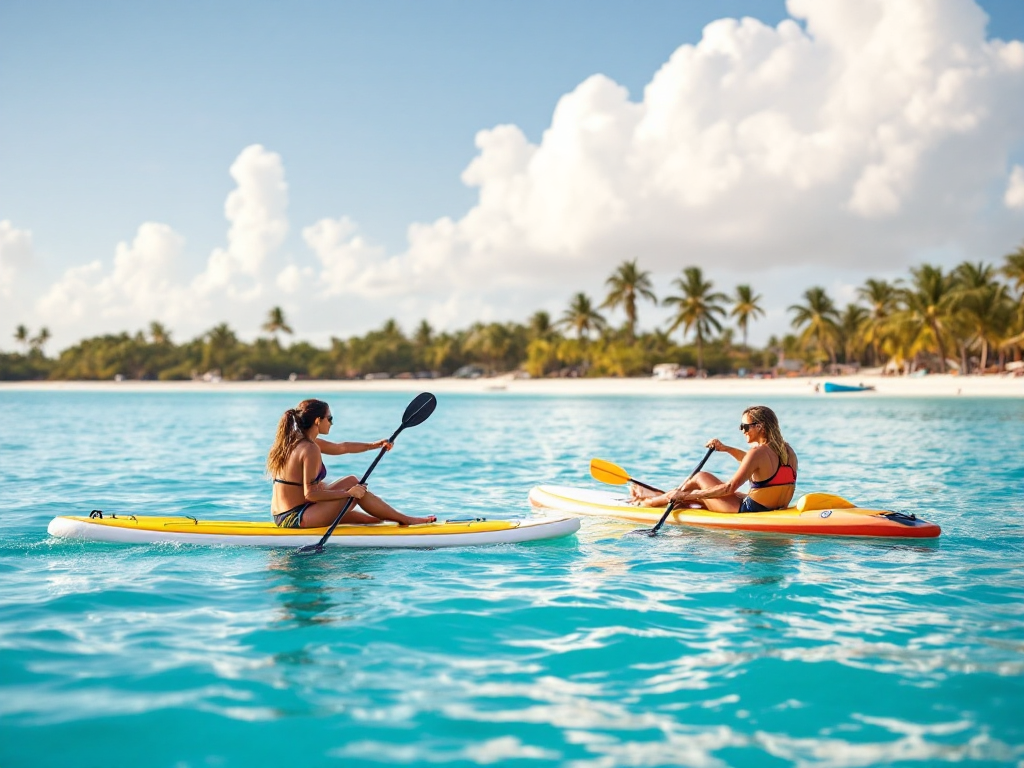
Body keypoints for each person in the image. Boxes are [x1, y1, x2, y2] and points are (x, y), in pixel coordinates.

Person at [267, 398, 436, 528]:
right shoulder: (310, 449)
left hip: (290, 512)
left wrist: (375, 445)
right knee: (355, 489)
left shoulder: (296, 442)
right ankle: (406, 519)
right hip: (295, 517)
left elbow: (342, 447)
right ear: (317, 421)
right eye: (329, 418)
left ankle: (396, 518)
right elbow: (310, 494)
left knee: (373, 519)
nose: (331, 423)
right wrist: (349, 493)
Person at [630, 405, 798, 513]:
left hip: (749, 511)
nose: (742, 430)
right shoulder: (788, 451)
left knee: (700, 477)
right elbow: (756, 466)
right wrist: (726, 449)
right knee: (697, 499)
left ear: (760, 427)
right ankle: (663, 496)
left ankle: (650, 502)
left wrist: (686, 495)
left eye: (744, 426)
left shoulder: (757, 453)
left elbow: (729, 488)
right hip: (771, 508)